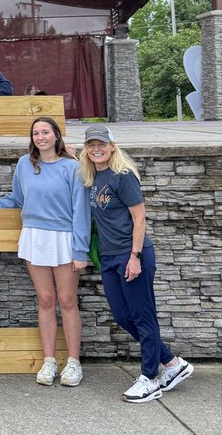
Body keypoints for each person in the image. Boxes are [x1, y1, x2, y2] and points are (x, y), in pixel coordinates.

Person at [80, 125, 194, 404]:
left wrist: (135, 257)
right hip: (108, 257)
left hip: (131, 255)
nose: (96, 148)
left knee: (143, 316)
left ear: (112, 146)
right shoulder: (93, 176)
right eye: (91, 144)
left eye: (101, 144)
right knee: (122, 315)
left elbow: (139, 219)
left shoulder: (123, 176)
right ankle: (171, 363)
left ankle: (150, 379)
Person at [0, 117, 90, 387]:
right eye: (35, 133)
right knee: (45, 299)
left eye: (45, 132)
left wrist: (80, 250)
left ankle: (74, 362)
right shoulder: (24, 164)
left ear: (56, 135)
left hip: (64, 238)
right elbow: (18, 199)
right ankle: (49, 360)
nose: (40, 137)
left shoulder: (72, 167)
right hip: (34, 236)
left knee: (67, 300)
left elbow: (81, 211)